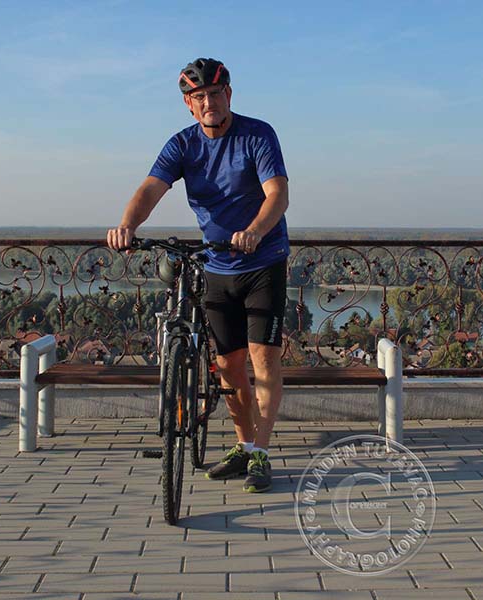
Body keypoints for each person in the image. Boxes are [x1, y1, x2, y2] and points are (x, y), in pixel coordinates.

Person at [106, 58, 289, 493]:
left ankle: (261, 454)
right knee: (228, 365)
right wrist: (127, 226)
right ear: (189, 105)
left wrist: (255, 231)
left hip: (262, 262)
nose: (208, 102)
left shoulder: (256, 135)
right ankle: (243, 446)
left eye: (215, 93)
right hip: (216, 265)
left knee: (263, 358)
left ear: (229, 94)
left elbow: (277, 193)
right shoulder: (183, 144)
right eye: (198, 97)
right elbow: (151, 188)